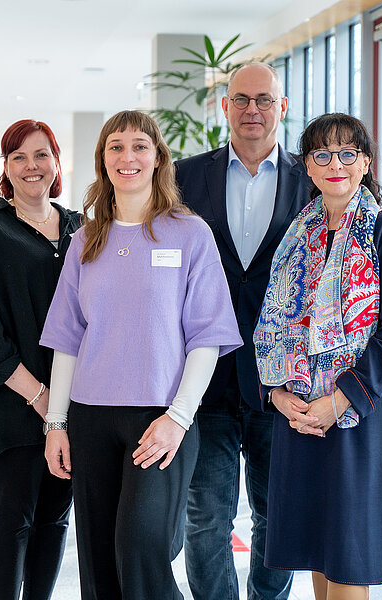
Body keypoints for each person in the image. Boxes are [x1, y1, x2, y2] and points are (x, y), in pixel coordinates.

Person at [40, 110, 242, 600]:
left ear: (158, 158)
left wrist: (178, 417)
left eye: (139, 146)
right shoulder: (85, 240)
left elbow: (208, 337)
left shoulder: (190, 234)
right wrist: (56, 424)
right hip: (90, 419)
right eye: (115, 146)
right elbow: (68, 338)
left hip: (160, 419)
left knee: (141, 549)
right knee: (99, 561)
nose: (127, 156)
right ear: (103, 160)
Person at [255, 113, 382, 600]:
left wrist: (341, 399)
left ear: (365, 163)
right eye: (322, 154)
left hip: (359, 415)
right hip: (302, 412)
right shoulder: (297, 238)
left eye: (348, 154)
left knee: (349, 556)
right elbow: (277, 324)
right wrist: (279, 393)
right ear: (306, 167)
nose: (335, 164)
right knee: (317, 546)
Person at [174, 61, 307, 600]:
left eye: (264, 100)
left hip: (285, 383)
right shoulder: (183, 177)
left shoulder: (311, 180)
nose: (253, 109)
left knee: (277, 515)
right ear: (224, 107)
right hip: (205, 376)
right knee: (206, 516)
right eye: (242, 99)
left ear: (280, 107)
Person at [0, 119, 80, 600]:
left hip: (70, 404)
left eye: (42, 154)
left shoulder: (78, 228)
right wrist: (42, 398)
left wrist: (62, 406)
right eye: (19, 156)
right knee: (16, 516)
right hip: (13, 402)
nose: (32, 166)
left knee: (54, 515)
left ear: (56, 162)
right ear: (5, 167)